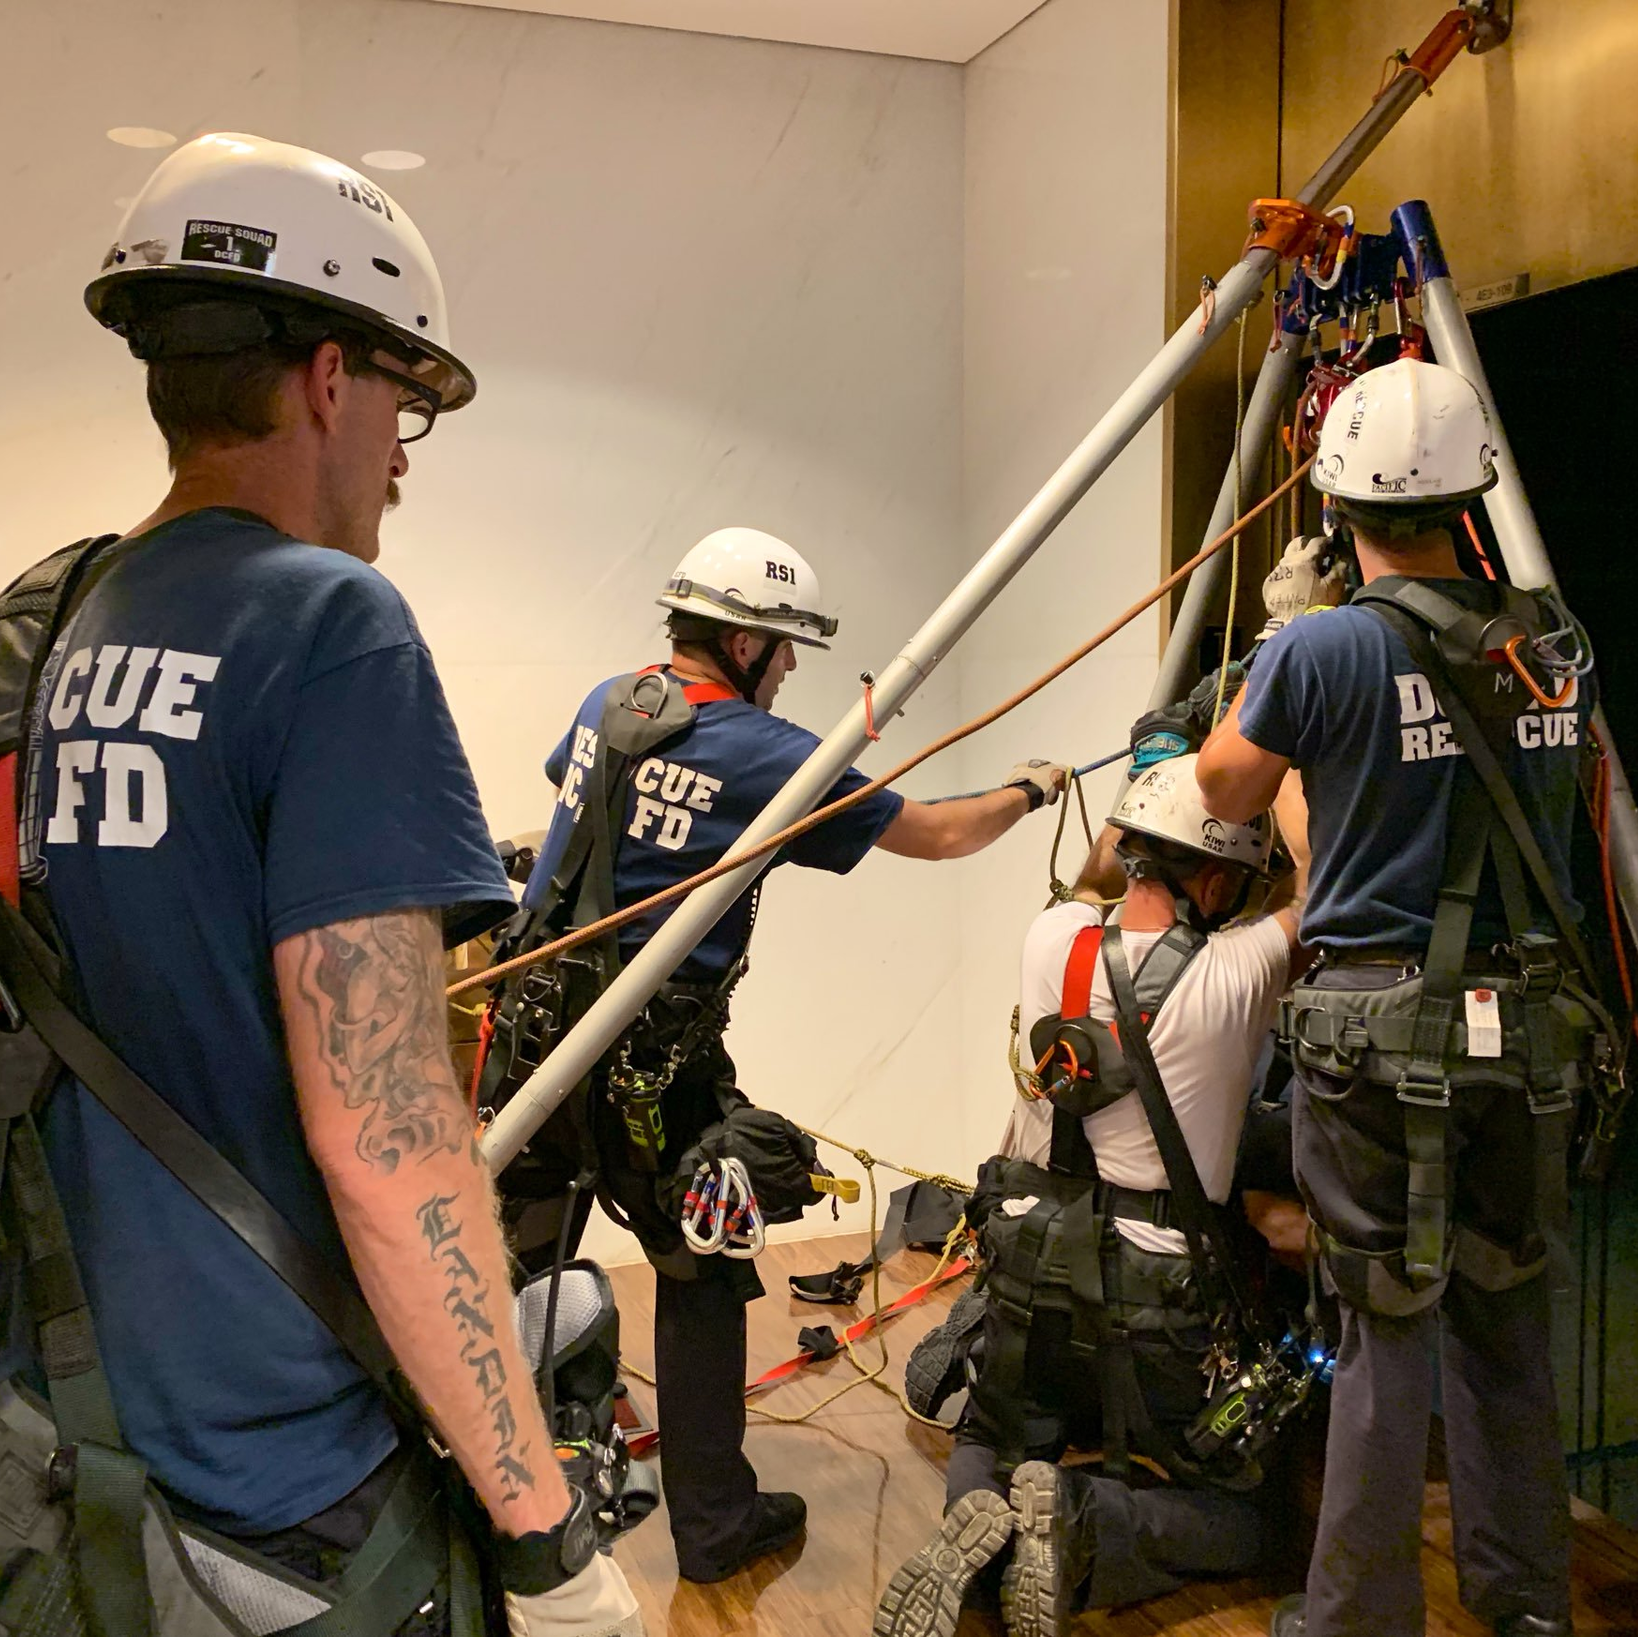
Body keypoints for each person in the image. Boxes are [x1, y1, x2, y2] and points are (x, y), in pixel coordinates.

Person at [8, 133, 642, 1634]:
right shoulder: (330, 624)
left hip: (65, 1434)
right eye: (406, 404)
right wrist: (545, 1537)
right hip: (278, 1483)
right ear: (329, 378)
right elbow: (388, 1138)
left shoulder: (59, 620)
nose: (402, 459)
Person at [480, 525, 1069, 1584]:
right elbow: (938, 833)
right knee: (703, 1268)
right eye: (785, 644)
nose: (792, 664)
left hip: (529, 1048)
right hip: (648, 1075)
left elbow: (579, 799)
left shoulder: (608, 702)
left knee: (510, 1270)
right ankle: (714, 1527)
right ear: (744, 642)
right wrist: (1029, 790)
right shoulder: (767, 754)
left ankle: (490, 1512)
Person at [1197, 356, 1598, 1637]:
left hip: (1377, 1040)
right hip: (1528, 1039)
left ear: (1335, 502)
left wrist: (1281, 661)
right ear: (1470, 496)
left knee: (1382, 1330)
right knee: (1508, 1318)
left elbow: (1222, 787)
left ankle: (1358, 1619)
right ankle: (1526, 1603)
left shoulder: (1321, 648)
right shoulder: (1553, 640)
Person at [873, 753, 1312, 1637]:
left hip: (1028, 1270)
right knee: (1260, 1515)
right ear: (1216, 882)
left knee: (987, 1438)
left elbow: (1091, 878)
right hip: (1156, 1299)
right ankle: (1080, 1519)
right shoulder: (1236, 974)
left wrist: (1155, 772)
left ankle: (987, 1529)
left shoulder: (1051, 937)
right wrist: (1284, 757)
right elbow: (1320, 885)